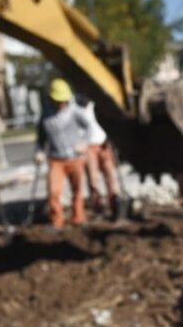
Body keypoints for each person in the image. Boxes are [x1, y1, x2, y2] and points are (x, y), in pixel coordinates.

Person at [35, 78, 90, 228]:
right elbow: (40, 139)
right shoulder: (45, 116)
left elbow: (88, 128)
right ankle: (57, 221)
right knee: (54, 192)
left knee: (78, 190)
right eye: (58, 101)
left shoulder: (74, 111)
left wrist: (84, 143)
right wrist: (39, 152)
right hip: (56, 160)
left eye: (64, 100)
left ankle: (79, 217)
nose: (62, 104)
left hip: (75, 158)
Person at [78, 98, 122, 217]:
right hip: (89, 147)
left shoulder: (97, 106)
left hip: (104, 145)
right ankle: (98, 206)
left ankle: (115, 204)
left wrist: (111, 140)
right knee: (93, 179)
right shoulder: (77, 109)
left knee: (111, 176)